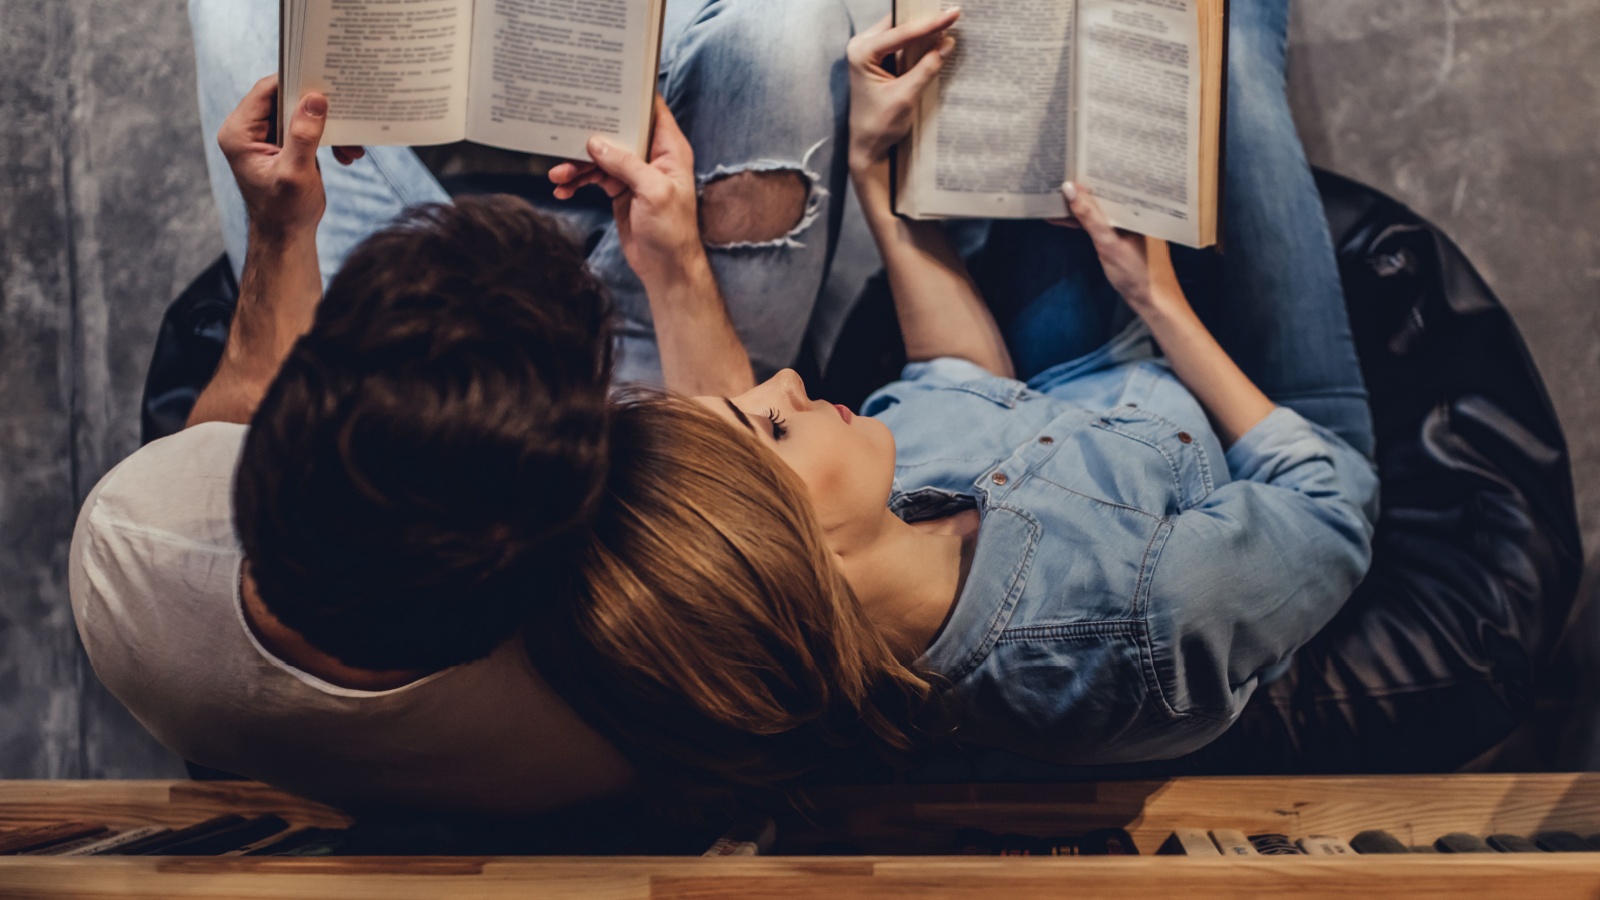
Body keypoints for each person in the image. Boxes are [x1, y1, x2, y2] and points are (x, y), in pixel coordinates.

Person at [521, 0, 1381, 812]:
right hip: (1271, 439)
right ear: (807, 562)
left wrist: (870, 168)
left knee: (1031, 51)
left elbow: (962, 378)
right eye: (774, 423)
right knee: (1219, 51)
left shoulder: (865, 557)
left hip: (1073, 382)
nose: (785, 384)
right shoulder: (1146, 618)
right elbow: (1330, 503)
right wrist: (1158, 300)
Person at [70, 0, 853, 814]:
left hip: (464, 446)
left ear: (281, 452)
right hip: (665, 400)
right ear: (590, 524)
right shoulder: (639, 681)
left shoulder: (131, 567)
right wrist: (674, 257)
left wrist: (280, 232)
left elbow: (217, 445)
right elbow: (745, 492)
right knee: (783, 23)